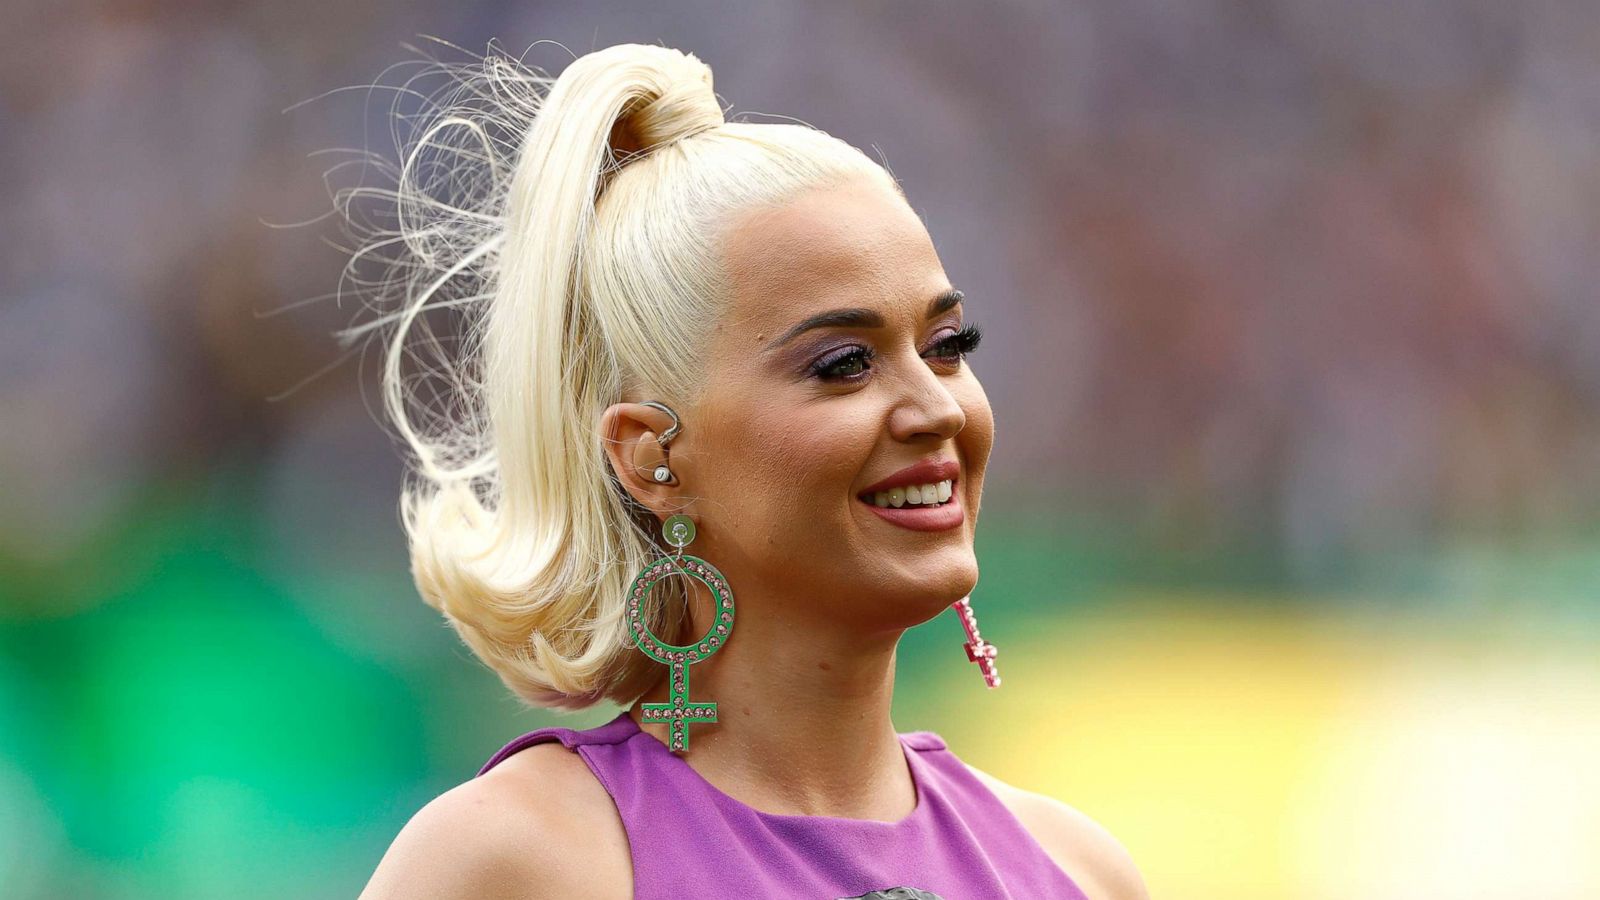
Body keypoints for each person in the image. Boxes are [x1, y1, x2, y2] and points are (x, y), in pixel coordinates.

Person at [349, 41, 1149, 899]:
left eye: (948, 346)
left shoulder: (1078, 870)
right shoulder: (517, 861)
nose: (939, 409)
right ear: (653, 456)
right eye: (844, 363)